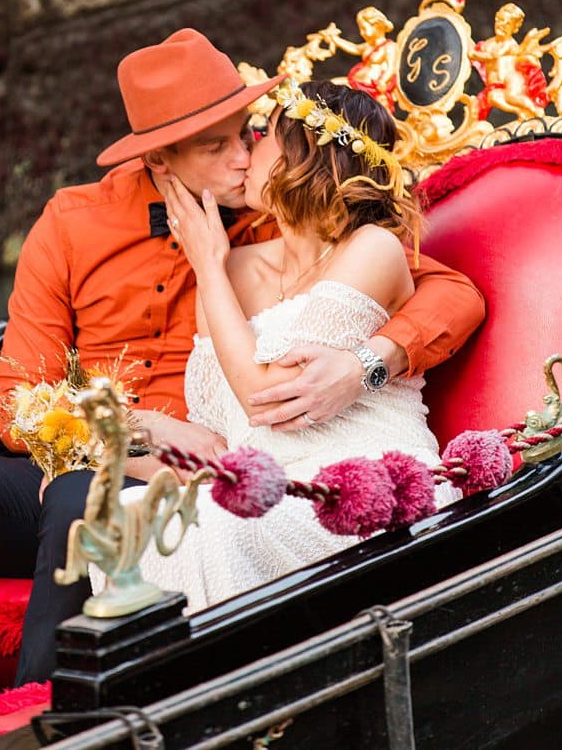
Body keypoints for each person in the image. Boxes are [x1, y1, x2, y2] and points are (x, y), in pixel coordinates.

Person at [0, 29, 484, 708]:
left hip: (204, 473)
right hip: (104, 459)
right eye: (218, 147)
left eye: (246, 134)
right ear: (160, 156)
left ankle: (40, 719)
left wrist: (367, 364)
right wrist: (130, 435)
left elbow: (453, 292)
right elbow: (15, 401)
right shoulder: (70, 226)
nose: (243, 158)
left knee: (81, 498)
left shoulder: (275, 214)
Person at [141, 81, 461, 609]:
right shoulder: (232, 269)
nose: (246, 154)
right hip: (266, 493)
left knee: (216, 526)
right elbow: (222, 435)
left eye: (262, 136)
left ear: (303, 158)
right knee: (134, 516)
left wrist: (205, 265)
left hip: (366, 482)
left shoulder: (373, 249)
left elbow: (266, 398)